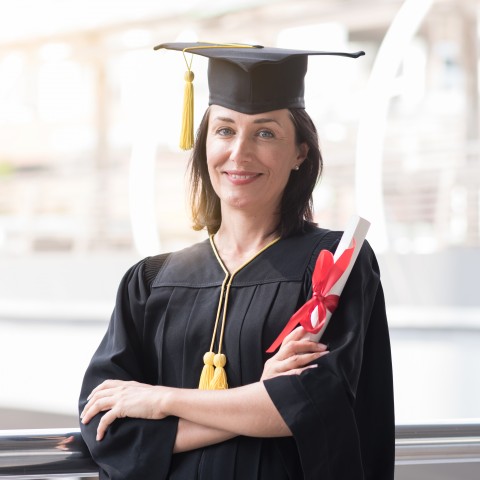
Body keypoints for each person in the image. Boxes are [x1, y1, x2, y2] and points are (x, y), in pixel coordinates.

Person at [79, 42, 395, 480]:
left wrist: (160, 400)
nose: (239, 152)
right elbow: (106, 429)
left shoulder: (334, 265)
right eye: (225, 130)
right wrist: (257, 399)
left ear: (300, 152)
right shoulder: (150, 282)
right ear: (204, 141)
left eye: (265, 133)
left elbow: (308, 410)